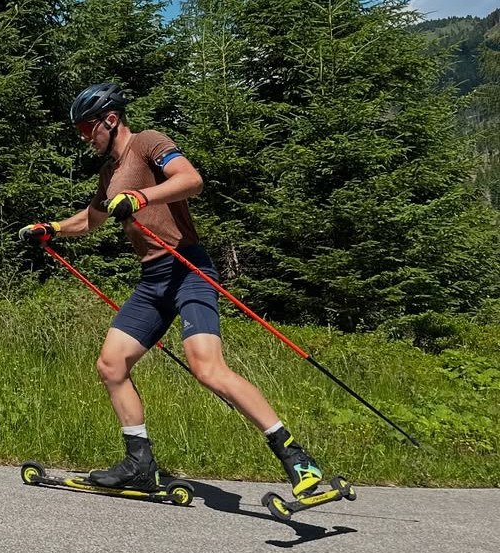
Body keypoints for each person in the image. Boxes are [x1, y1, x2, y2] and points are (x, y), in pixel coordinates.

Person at [19, 82, 324, 498]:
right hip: (153, 282)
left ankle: (298, 460)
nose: (84, 137)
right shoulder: (109, 173)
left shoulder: (148, 143)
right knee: (111, 365)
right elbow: (92, 218)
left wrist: (139, 197)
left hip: (188, 269)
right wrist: (52, 229)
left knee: (207, 368)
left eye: (87, 127)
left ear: (110, 120)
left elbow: (191, 179)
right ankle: (139, 465)